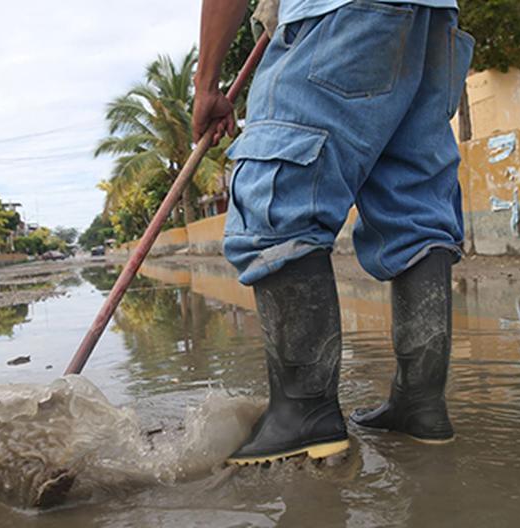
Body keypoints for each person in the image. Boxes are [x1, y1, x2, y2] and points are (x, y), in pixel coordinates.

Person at [192, 0, 475, 465]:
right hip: (431, 21)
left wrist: (206, 86)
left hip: (340, 14)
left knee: (278, 199)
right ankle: (419, 404)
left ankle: (303, 412)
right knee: (416, 212)